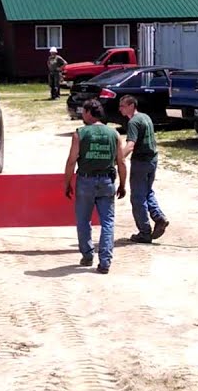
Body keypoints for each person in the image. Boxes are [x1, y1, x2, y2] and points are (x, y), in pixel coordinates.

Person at [64, 99, 126, 274]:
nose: (82, 115)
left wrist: (67, 182)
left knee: (84, 221)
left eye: (84, 112)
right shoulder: (113, 134)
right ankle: (105, 262)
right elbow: (120, 162)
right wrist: (122, 184)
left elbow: (71, 162)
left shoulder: (80, 134)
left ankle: (87, 255)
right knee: (107, 222)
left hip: (85, 181)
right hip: (107, 181)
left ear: (90, 113)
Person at [118, 95, 169, 243]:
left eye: (122, 106)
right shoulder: (145, 117)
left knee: (137, 198)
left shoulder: (133, 122)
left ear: (131, 106)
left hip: (141, 162)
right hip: (152, 160)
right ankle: (159, 217)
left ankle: (144, 232)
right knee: (147, 191)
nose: (120, 109)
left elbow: (130, 145)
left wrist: (118, 159)